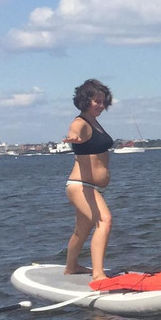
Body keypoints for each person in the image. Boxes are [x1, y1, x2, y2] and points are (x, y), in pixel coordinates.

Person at [64, 79, 115, 279]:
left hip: (93, 188)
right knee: (105, 220)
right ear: (85, 100)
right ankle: (98, 274)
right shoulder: (80, 123)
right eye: (97, 101)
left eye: (103, 102)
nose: (101, 106)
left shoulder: (94, 122)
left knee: (82, 231)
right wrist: (73, 137)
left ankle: (71, 267)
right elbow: (75, 129)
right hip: (81, 186)